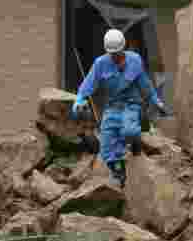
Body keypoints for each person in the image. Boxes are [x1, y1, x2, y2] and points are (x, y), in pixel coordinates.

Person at [71, 29, 167, 185]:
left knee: (129, 131)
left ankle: (136, 141)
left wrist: (156, 100)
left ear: (124, 48)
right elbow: (88, 85)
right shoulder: (100, 64)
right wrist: (79, 100)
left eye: (118, 53)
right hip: (112, 107)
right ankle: (119, 171)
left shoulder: (135, 61)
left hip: (131, 105)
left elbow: (145, 84)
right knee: (106, 148)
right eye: (112, 54)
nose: (115, 56)